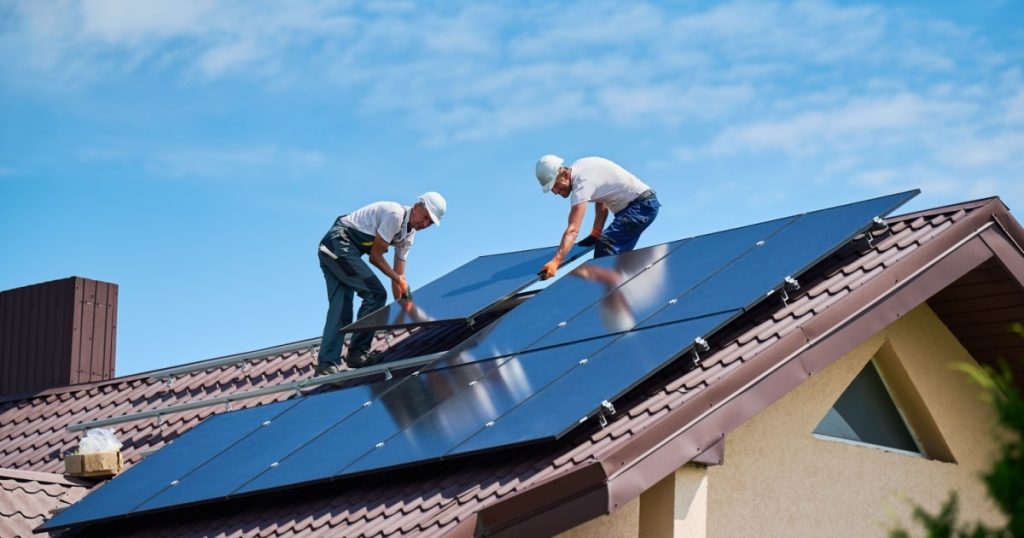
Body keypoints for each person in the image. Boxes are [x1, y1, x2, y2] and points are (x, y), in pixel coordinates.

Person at [316, 192, 446, 374]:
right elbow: (375, 257)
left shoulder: (408, 236)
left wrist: (404, 308)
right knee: (375, 294)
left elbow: (399, 274)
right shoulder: (395, 215)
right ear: (417, 207)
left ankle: (326, 365)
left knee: (342, 307)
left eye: (430, 222)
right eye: (425, 217)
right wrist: (398, 279)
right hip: (338, 244)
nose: (425, 224)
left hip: (342, 251)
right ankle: (357, 354)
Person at [535, 155, 660, 280]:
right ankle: (620, 284)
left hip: (641, 207)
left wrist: (556, 261)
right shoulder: (580, 167)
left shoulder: (582, 185)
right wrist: (596, 233)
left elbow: (573, 230)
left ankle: (603, 291)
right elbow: (601, 202)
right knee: (612, 253)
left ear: (565, 175)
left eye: (556, 185)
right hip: (638, 207)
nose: (555, 191)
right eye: (552, 189)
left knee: (606, 245)